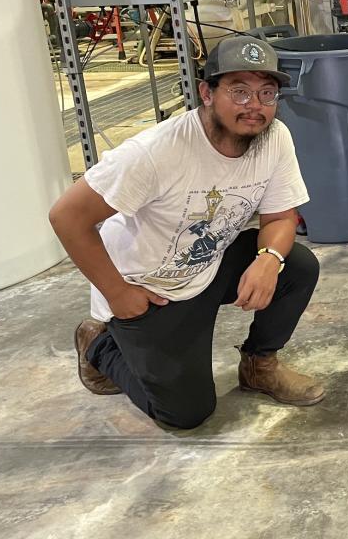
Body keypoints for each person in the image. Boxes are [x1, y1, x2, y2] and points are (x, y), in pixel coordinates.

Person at [49, 36, 324, 429]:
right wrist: (118, 293)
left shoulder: (274, 138)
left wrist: (268, 260)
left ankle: (259, 365)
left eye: (267, 93)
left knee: (296, 265)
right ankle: (98, 344)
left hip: (207, 265)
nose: (255, 106)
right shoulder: (156, 152)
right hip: (149, 290)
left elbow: (281, 218)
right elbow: (67, 217)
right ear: (207, 93)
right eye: (240, 91)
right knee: (186, 413)